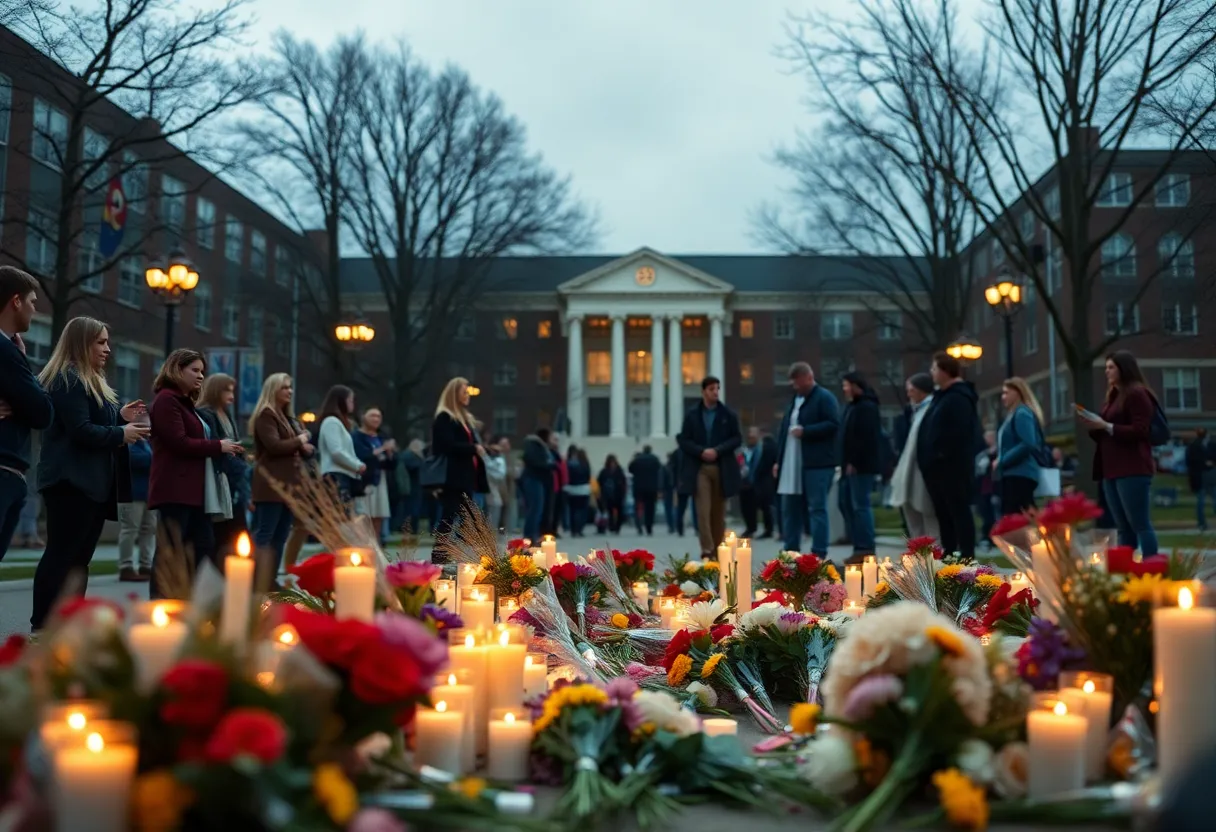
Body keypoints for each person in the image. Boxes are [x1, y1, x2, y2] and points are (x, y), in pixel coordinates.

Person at [33, 317, 147, 627]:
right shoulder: (68, 379)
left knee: (79, 560)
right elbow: (80, 430)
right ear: (81, 343)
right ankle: (42, 625)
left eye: (107, 342)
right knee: (62, 556)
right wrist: (121, 433)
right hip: (71, 482)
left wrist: (119, 417)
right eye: (101, 342)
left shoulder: (88, 380)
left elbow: (91, 423)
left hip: (91, 484)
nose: (107, 349)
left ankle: (68, 623)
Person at [146, 348, 242, 600]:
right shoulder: (166, 400)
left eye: (202, 371)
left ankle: (192, 603)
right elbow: (179, 442)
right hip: (175, 490)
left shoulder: (186, 404)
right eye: (195, 370)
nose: (200, 376)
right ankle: (161, 604)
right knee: (171, 552)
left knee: (203, 546)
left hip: (196, 492)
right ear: (177, 370)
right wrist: (218, 446)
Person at [1078, 350, 1159, 555]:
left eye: (1111, 367)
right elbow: (1107, 430)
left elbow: (1141, 430)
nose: (1107, 371)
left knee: (1140, 523)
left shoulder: (1136, 393)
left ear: (1124, 369)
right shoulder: (1113, 396)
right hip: (1111, 469)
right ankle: (1126, 568)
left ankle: (1152, 566)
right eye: (1106, 367)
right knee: (1122, 527)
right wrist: (1095, 426)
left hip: (1132, 467)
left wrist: (1106, 426)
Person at [0, 266, 54, 562]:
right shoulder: (6, 352)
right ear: (16, 301)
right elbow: (42, 412)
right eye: (32, 301)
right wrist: (23, 362)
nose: (35, 309)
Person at [917, 352, 982, 559]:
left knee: (958, 510)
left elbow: (958, 433)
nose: (931, 372)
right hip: (936, 469)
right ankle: (949, 552)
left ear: (945, 371)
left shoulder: (958, 398)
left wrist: (940, 455)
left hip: (952, 468)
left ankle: (966, 554)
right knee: (943, 513)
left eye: (934, 368)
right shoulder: (941, 397)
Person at [773, 362, 839, 557]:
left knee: (817, 508)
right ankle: (790, 550)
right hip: (791, 463)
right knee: (790, 507)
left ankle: (818, 553)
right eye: (793, 383)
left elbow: (833, 424)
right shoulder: (795, 400)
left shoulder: (824, 397)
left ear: (809, 378)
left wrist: (806, 431)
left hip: (817, 464)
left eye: (798, 383)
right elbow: (783, 432)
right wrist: (778, 460)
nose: (795, 387)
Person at [250, 373, 311, 580]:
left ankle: (270, 579)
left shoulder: (285, 416)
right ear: (273, 390)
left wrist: (304, 445)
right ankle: (255, 580)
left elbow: (297, 446)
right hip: (271, 484)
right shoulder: (266, 414)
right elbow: (274, 445)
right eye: (285, 387)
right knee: (266, 534)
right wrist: (300, 440)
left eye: (290, 387)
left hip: (288, 486)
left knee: (281, 535)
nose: (290, 391)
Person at [677, 376, 743, 558]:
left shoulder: (728, 415)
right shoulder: (692, 415)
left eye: (717, 389)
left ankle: (717, 548)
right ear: (703, 391)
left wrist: (718, 450)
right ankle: (707, 549)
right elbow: (683, 439)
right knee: (703, 510)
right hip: (700, 468)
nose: (715, 392)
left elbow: (737, 438)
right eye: (712, 389)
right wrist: (701, 451)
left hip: (722, 468)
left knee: (718, 512)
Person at [429, 377, 488, 559]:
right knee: (451, 514)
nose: (467, 395)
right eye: (464, 392)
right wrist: (473, 448)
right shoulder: (445, 417)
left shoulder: (464, 419)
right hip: (452, 475)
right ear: (454, 394)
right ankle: (440, 554)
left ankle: (450, 552)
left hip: (465, 475)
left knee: (466, 515)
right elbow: (446, 445)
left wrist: (478, 447)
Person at [196, 373, 248, 557]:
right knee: (220, 531)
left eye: (233, 391)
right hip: (219, 477)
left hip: (232, 478)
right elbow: (215, 444)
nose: (231, 395)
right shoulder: (206, 414)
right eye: (227, 391)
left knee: (236, 529)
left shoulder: (226, 414)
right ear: (216, 391)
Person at [837, 371, 882, 560]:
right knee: (846, 503)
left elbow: (865, 437)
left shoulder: (866, 407)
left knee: (860, 505)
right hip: (848, 465)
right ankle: (857, 543)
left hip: (860, 465)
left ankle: (865, 547)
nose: (844, 389)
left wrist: (854, 460)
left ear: (856, 386)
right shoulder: (852, 407)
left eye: (846, 385)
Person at [890, 373, 937, 538]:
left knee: (928, 517)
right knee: (914, 519)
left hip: (922, 470)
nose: (908, 394)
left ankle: (931, 551)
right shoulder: (914, 411)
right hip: (910, 470)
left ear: (921, 391)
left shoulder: (930, 409)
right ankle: (920, 550)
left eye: (911, 390)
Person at [996, 377, 1047, 514]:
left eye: (1006, 393)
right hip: (1013, 474)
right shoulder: (1013, 414)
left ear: (1017, 393)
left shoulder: (1022, 413)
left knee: (1018, 517)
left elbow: (1028, 443)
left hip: (1020, 475)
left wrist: (1002, 460)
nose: (1003, 397)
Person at [352, 407, 397, 541]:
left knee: (379, 515)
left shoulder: (382, 437)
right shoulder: (356, 436)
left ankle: (376, 545)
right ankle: (364, 546)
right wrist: (382, 449)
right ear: (363, 417)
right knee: (364, 516)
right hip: (364, 481)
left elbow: (391, 465)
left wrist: (390, 453)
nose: (376, 419)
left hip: (380, 480)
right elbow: (361, 455)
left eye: (378, 416)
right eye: (372, 416)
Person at [317, 385, 366, 505]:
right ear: (341, 401)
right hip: (336, 476)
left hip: (343, 475)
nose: (352, 404)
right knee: (340, 512)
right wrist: (357, 465)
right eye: (350, 400)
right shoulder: (331, 422)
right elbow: (336, 451)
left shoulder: (339, 423)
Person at [117, 435, 155, 582]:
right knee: (130, 529)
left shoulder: (148, 443)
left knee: (149, 529)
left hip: (149, 493)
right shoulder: (128, 442)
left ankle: (146, 564)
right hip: (131, 494)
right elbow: (134, 460)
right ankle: (125, 566)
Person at [739, 426, 776, 539]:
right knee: (747, 506)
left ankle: (768, 529)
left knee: (765, 506)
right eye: (750, 435)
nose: (751, 437)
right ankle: (750, 528)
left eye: (753, 434)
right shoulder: (744, 450)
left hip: (761, 481)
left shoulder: (763, 448)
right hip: (746, 481)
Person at [521, 428, 556, 540]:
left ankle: (534, 534)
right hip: (533, 479)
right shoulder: (534, 445)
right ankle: (529, 536)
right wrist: (549, 465)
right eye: (551, 437)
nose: (552, 439)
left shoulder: (543, 447)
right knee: (535, 509)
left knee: (538, 510)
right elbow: (534, 461)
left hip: (539, 480)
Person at [1186, 428, 1216, 531]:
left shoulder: (1193, 445)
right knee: (1203, 500)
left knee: (1203, 500)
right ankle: (1202, 523)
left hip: (1204, 475)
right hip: (1203, 475)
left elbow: (1189, 462)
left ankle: (1202, 523)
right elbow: (1190, 461)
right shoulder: (1196, 445)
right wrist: (1207, 463)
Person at [629, 444, 662, 535]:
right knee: (650, 508)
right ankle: (649, 527)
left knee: (638, 508)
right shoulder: (655, 459)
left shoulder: (637, 459)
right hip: (652, 488)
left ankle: (639, 526)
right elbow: (659, 471)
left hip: (639, 487)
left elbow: (630, 469)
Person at [564, 444, 592, 537]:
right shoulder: (585, 463)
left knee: (573, 510)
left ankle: (573, 530)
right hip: (583, 489)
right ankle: (579, 529)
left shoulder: (569, 463)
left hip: (572, 489)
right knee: (582, 511)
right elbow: (588, 475)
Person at [597, 454, 627, 533]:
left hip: (618, 494)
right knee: (609, 510)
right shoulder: (604, 471)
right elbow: (599, 482)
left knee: (619, 511)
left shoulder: (619, 471)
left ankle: (617, 526)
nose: (612, 464)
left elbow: (623, 482)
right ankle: (611, 526)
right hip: (608, 494)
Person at [483, 437, 508, 531]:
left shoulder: (499, 460)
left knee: (496, 506)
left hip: (494, 489)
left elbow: (499, 475)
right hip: (487, 489)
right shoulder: (488, 458)